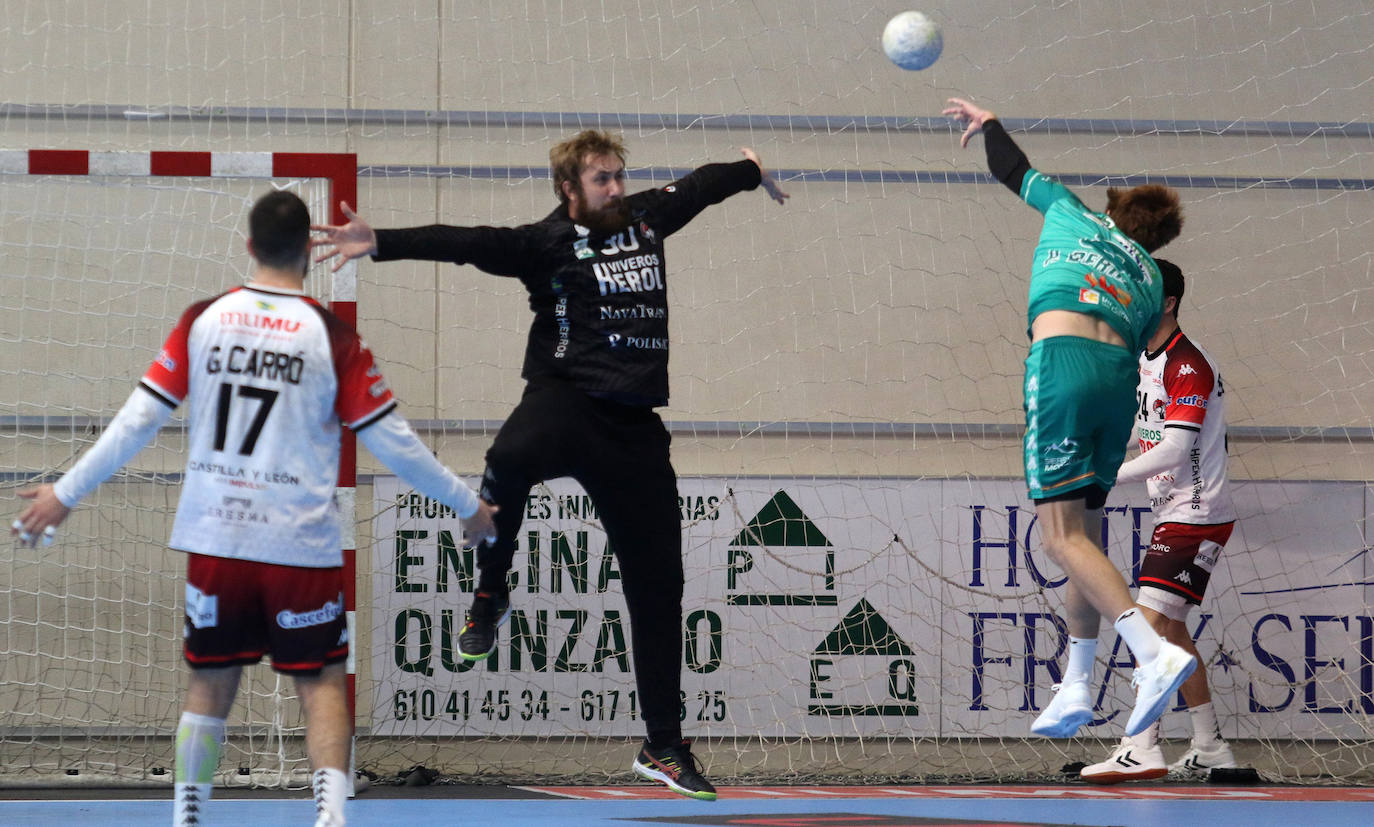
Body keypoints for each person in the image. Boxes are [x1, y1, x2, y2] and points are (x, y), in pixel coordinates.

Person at [313, 130, 788, 801]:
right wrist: (379, 241)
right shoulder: (544, 243)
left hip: (634, 431)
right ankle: (491, 592)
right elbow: (466, 242)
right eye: (602, 180)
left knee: (660, 589)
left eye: (620, 176)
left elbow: (702, 186)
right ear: (569, 188)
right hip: (564, 404)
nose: (617, 188)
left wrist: (749, 171)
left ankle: (663, 743)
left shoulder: (647, 217)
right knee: (509, 457)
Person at [10, 190, 497, 827]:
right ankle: (330, 818)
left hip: (217, 541)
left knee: (210, 683)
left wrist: (62, 494)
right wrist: (468, 505)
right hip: (298, 544)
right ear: (309, 252)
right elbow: (394, 445)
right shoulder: (331, 335)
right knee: (321, 680)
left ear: (248, 246)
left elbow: (136, 422)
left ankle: (187, 815)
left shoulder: (202, 319)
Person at [942, 97, 1196, 741]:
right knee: (1085, 533)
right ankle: (1077, 683)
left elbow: (1013, 169)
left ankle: (1151, 650)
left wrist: (989, 122)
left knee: (1057, 537)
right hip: (1119, 386)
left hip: (1062, 367)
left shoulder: (1069, 212)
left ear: (1112, 211)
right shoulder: (1145, 276)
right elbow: (1137, 344)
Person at [1081, 260, 1239, 782]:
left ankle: (1140, 745)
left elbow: (1175, 448)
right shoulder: (1148, 358)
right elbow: (1148, 429)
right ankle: (1210, 745)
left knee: (1146, 632)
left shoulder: (1189, 364)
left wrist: (1109, 478)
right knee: (1170, 634)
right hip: (1175, 514)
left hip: (1195, 516)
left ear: (1166, 302)